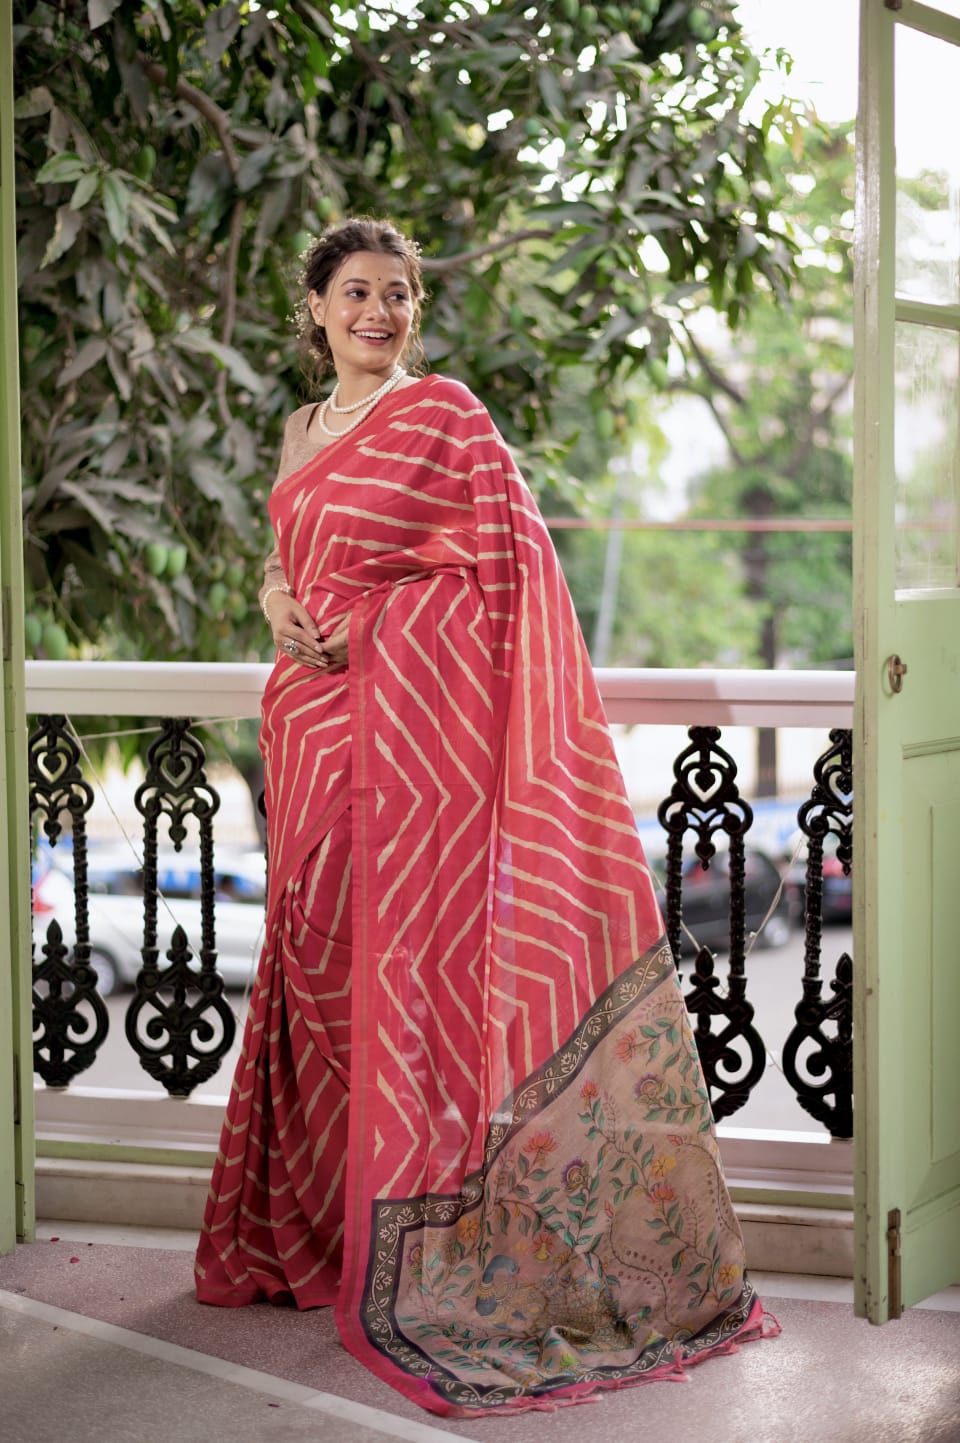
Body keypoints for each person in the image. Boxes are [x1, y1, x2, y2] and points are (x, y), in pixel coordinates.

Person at [195, 217, 772, 1417]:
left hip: (406, 749)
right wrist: (273, 597)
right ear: (315, 309)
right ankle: (321, 1232)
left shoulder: (446, 415)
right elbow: (284, 550)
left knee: (396, 980)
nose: (379, 312)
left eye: (398, 295)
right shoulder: (303, 429)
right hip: (304, 730)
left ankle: (420, 1243)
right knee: (313, 967)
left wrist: (379, 628)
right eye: (356, 292)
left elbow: (503, 568)